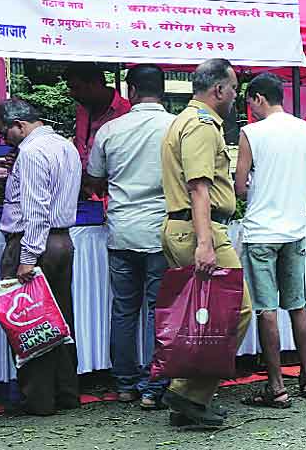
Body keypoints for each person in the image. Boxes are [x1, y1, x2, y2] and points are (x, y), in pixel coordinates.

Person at [159, 58, 252, 428]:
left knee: (206, 318)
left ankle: (189, 400)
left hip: (192, 227)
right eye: (233, 89)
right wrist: (205, 242)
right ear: (219, 90)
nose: (234, 97)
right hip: (201, 228)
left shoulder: (185, 120)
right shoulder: (201, 125)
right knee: (234, 311)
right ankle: (187, 393)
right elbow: (199, 187)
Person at [86, 64, 175, 409]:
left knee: (124, 310)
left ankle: (124, 384)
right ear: (163, 90)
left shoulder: (111, 130)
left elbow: (94, 179)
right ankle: (154, 387)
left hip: (122, 231)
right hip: (160, 231)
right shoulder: (176, 127)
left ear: (131, 91)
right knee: (158, 311)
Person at [234, 73, 306, 407]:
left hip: (261, 232)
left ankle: (276, 387)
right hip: (294, 230)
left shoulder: (251, 133)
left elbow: (240, 187)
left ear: (258, 98)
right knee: (297, 305)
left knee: (266, 310)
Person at [0, 99, 81, 416]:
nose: (5, 139)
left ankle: (39, 400)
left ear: (19, 125)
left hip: (33, 243)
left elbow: (35, 211)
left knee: (29, 322)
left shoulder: (31, 152)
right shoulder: (65, 146)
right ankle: (66, 392)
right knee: (60, 319)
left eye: (5, 132)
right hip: (61, 242)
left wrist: (27, 257)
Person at [65, 62, 131, 173]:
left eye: (76, 88)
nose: (71, 94)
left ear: (94, 84)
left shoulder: (127, 112)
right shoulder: (82, 109)